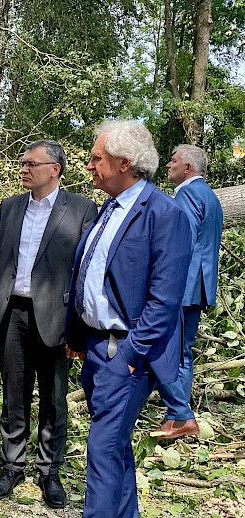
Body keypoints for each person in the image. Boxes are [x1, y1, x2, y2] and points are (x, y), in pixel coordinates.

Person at [66, 120, 192, 518]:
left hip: (127, 353)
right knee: (115, 446)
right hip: (96, 346)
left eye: (96, 158)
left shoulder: (164, 213)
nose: (89, 166)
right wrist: (79, 336)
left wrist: (131, 356)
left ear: (124, 163)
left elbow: (165, 300)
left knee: (102, 449)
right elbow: (91, 275)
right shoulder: (110, 207)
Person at [0, 140, 97, 507]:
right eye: (23, 162)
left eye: (32, 163)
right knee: (14, 394)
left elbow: (87, 271)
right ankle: (12, 466)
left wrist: (79, 325)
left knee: (53, 398)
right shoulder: (10, 207)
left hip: (56, 317)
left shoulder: (81, 209)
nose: (24, 168)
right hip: (11, 313)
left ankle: (49, 470)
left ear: (55, 169)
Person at [151, 145, 223, 439]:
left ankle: (181, 416)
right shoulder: (210, 195)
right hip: (199, 286)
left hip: (181, 287)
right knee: (182, 354)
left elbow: (181, 241)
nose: (168, 165)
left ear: (188, 168)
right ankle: (175, 417)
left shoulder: (187, 193)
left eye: (173, 161)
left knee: (161, 350)